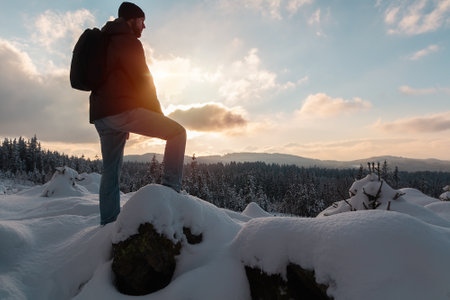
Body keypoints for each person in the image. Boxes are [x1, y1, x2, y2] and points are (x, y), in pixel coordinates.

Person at [90, 2, 186, 225]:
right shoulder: (128, 42)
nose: (144, 26)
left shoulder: (105, 39)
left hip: (102, 115)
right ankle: (171, 195)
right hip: (120, 110)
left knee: (110, 171)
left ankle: (109, 223)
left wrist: (119, 122)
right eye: (142, 21)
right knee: (177, 133)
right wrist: (159, 116)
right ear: (131, 20)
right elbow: (144, 82)